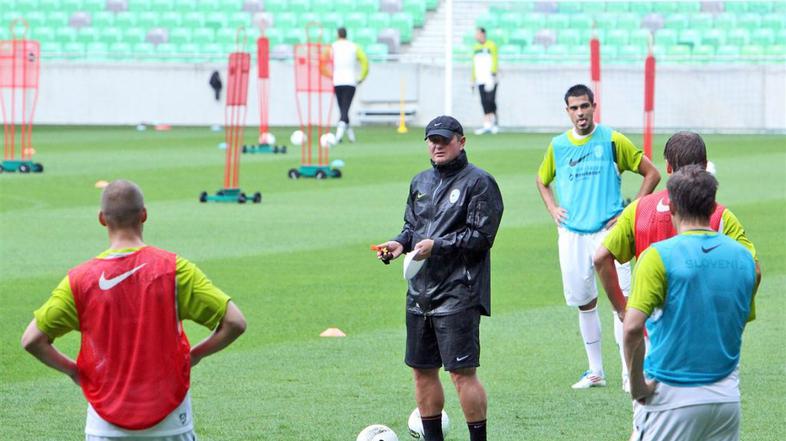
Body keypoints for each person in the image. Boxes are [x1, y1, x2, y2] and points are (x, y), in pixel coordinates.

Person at [21, 180, 247, 441]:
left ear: (102, 219)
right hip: (171, 421)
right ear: (144, 214)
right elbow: (235, 322)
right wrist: (195, 355)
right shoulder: (176, 269)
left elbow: (32, 340)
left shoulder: (79, 280)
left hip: (104, 426)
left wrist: (74, 371)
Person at [594, 131, 761, 392]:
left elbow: (601, 257)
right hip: (710, 339)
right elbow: (754, 269)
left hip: (655, 340)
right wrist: (735, 313)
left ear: (668, 167)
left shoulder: (639, 209)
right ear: (706, 167)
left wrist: (622, 309)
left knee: (649, 425)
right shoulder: (721, 215)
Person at [374, 115, 503, 441]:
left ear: (461, 141)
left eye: (444, 140)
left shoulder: (479, 183)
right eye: (432, 140)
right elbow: (411, 228)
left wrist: (437, 246)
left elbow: (480, 237)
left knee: (462, 374)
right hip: (420, 292)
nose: (437, 145)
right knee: (421, 371)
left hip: (459, 291)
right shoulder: (420, 182)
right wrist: (397, 244)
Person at [535, 84, 660, 389]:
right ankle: (595, 371)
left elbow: (652, 173)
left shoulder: (613, 139)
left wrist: (629, 213)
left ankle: (630, 372)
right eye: (574, 108)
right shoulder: (558, 146)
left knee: (625, 303)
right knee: (584, 302)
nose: (580, 113)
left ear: (594, 106)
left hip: (610, 233)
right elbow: (541, 179)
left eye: (584, 106)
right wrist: (553, 208)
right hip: (572, 235)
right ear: (567, 111)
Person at [624, 165, 758, 441]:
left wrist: (637, 385)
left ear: (671, 207)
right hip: (726, 398)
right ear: (712, 208)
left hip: (672, 395)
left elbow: (632, 328)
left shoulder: (656, 256)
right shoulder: (744, 259)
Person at [330, 27, 369, 144]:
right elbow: (365, 62)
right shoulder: (353, 46)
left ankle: (338, 137)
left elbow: (322, 62)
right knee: (344, 109)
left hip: (337, 81)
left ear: (337, 35)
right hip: (350, 82)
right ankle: (350, 136)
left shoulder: (332, 47)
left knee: (343, 109)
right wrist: (361, 77)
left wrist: (329, 75)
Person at [471, 27, 499, 135]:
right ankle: (487, 124)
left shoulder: (491, 45)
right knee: (483, 101)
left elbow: (495, 59)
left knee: (490, 100)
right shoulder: (476, 47)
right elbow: (474, 65)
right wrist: (472, 79)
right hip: (480, 78)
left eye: (477, 33)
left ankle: (494, 123)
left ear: (483, 34)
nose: (476, 36)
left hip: (490, 78)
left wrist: (493, 72)